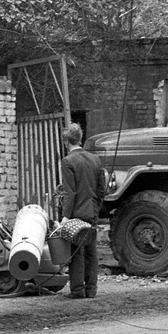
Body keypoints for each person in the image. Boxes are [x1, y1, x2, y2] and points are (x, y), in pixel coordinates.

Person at [59, 124, 105, 299]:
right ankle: (91, 289)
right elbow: (101, 190)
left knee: (77, 252)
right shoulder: (95, 159)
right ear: (81, 138)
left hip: (76, 213)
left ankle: (78, 290)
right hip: (92, 211)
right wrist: (95, 207)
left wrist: (65, 217)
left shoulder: (68, 161)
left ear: (66, 142)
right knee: (91, 252)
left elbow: (70, 192)